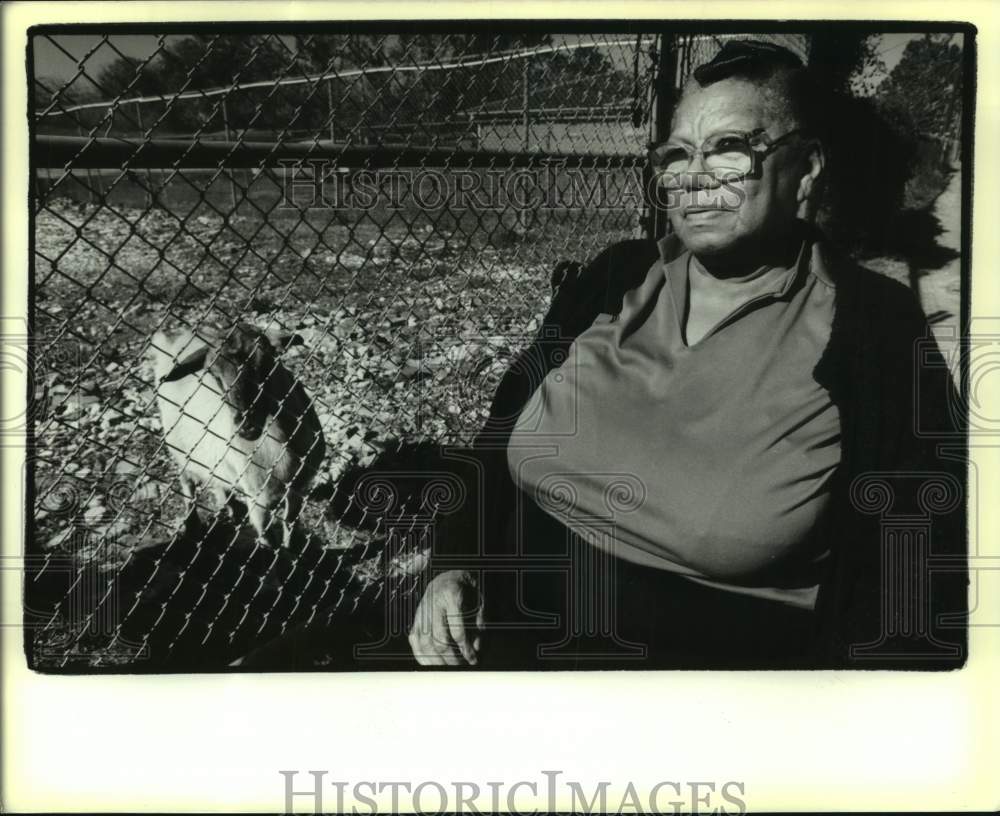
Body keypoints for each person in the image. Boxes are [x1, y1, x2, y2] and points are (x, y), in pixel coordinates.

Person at [403, 39, 967, 670]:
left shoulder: (873, 326)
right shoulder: (614, 277)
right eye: (677, 152)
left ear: (806, 167)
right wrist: (454, 566)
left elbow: (913, 567)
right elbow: (499, 432)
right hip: (505, 637)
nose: (691, 177)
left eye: (729, 147)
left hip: (703, 686)